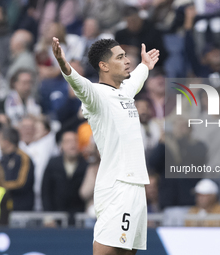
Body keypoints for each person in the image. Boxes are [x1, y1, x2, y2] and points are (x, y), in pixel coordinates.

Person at [52, 34, 159, 254]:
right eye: (120, 57)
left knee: (127, 252)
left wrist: (145, 66)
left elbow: (136, 81)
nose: (127, 60)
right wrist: (64, 64)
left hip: (135, 186)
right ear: (104, 65)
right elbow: (79, 84)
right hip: (117, 186)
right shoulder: (97, 95)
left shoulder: (124, 94)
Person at [0, 127, 34, 211]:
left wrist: (0, 185)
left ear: (6, 141)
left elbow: (21, 183)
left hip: (21, 207)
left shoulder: (24, 158)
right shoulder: (2, 159)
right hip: (4, 206)